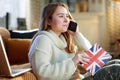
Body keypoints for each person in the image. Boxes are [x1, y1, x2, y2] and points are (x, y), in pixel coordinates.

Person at [28, 2, 92, 80]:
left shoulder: (64, 40)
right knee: (110, 70)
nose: (66, 20)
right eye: (61, 16)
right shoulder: (42, 40)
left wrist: (77, 34)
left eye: (67, 16)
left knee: (110, 66)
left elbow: (92, 56)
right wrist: (73, 62)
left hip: (79, 78)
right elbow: (42, 73)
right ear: (48, 21)